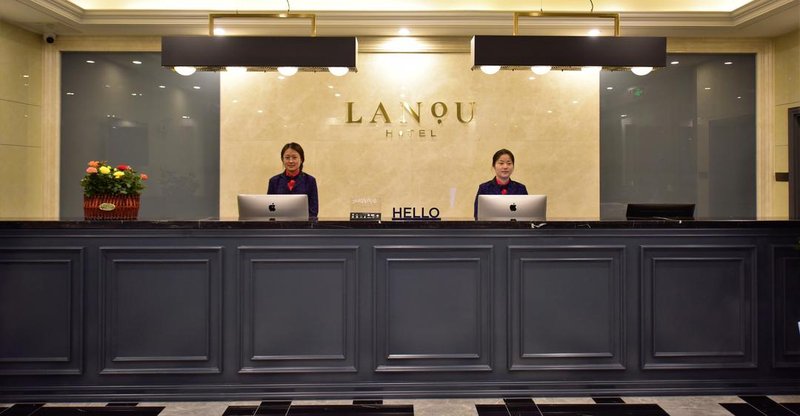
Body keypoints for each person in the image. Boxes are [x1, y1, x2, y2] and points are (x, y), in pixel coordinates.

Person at [267, 142, 319, 218]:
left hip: (303, 224)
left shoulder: (310, 181)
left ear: (301, 159)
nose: (291, 161)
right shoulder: (274, 181)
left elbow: (313, 211)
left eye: (294, 157)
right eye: (287, 157)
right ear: (282, 159)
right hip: (279, 224)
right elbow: (269, 208)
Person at [474, 148, 528, 219]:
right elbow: (477, 215)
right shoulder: (484, 188)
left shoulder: (521, 188)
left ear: (513, 166)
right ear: (494, 166)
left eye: (509, 163)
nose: (505, 167)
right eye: (501, 163)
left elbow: (527, 216)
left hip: (515, 226)